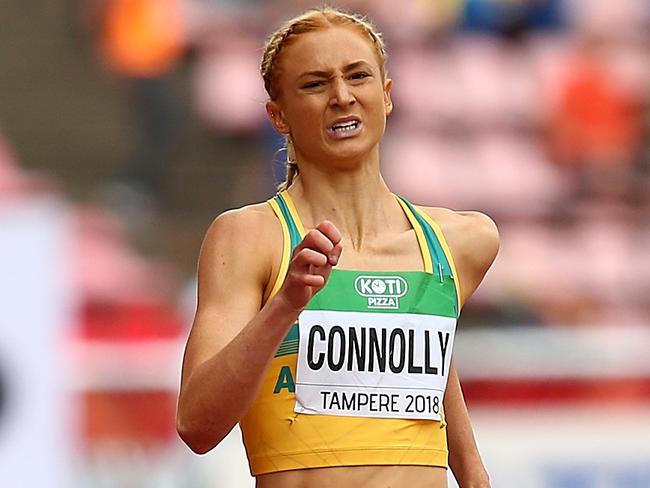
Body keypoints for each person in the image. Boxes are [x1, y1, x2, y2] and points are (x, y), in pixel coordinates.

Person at [177, 7, 498, 488]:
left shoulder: (461, 243)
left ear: (387, 96)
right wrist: (284, 305)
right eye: (315, 84)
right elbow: (197, 425)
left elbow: (420, 360)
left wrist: (473, 475)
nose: (342, 97)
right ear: (278, 115)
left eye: (358, 76)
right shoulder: (251, 237)